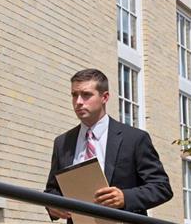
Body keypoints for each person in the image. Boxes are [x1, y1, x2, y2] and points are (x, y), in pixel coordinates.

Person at [44, 68, 173, 222]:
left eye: (86, 95)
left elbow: (161, 187)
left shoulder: (134, 139)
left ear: (104, 97)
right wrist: (53, 205)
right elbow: (53, 189)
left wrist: (125, 198)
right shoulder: (62, 142)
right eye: (74, 95)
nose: (78, 102)